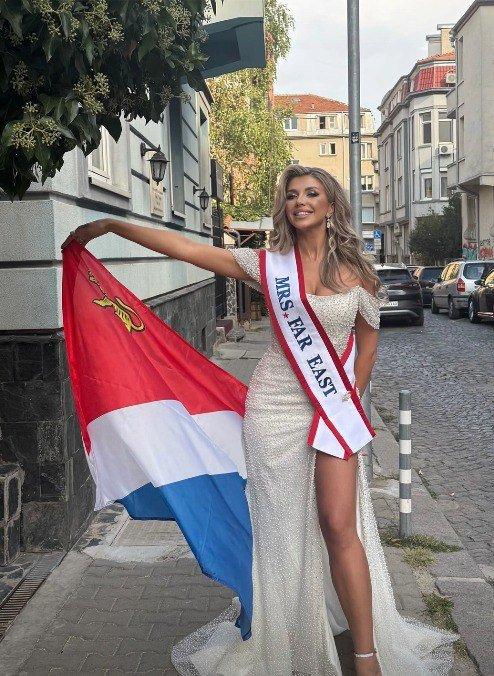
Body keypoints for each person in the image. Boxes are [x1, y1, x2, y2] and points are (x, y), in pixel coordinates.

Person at [62, 165, 455, 676]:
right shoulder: (268, 265)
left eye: (311, 193)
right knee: (281, 528)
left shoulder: (358, 272)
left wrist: (351, 401)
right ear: (284, 208)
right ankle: (289, 635)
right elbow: (188, 250)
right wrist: (113, 226)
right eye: (291, 195)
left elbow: (367, 347)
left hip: (331, 408)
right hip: (272, 408)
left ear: (331, 206)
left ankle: (366, 653)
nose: (300, 201)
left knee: (338, 525)